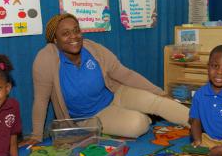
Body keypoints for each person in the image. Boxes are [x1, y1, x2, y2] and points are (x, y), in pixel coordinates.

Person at [22, 13, 189, 145]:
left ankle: (203, 122)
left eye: (76, 30)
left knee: (157, 101)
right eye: (65, 34)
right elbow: (41, 100)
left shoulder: (93, 49)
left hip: (116, 94)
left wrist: (159, 92)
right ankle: (142, 116)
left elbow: (125, 74)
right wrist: (36, 135)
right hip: (91, 117)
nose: (74, 36)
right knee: (139, 124)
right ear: (54, 40)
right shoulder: (45, 60)